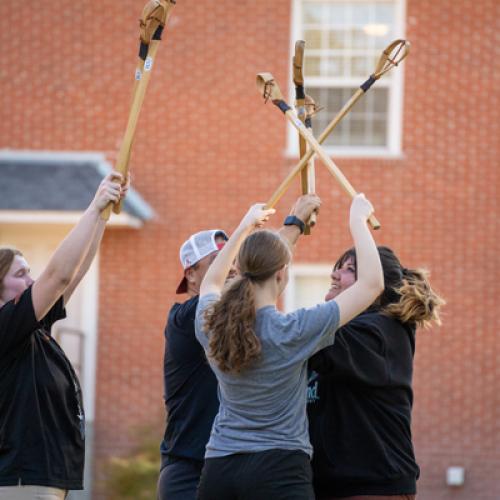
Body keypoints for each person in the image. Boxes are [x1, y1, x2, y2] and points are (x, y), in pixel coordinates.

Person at [194, 194, 384, 500]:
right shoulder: (293, 330)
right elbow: (373, 284)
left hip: (220, 468)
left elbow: (210, 284)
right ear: (282, 273)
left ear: (241, 270)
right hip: (279, 469)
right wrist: (357, 221)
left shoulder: (210, 324)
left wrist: (245, 226)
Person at [157, 195, 321, 500]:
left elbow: (262, 270)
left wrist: (294, 226)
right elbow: (244, 280)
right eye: (218, 261)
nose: (231, 268)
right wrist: (293, 225)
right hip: (188, 469)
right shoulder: (186, 318)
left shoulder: (243, 317)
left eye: (234, 260)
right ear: (190, 274)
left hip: (231, 466)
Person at [0, 172, 127, 500]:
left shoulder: (33, 330)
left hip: (44, 477)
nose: (31, 280)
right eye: (21, 273)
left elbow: (76, 271)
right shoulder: (4, 326)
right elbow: (58, 275)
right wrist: (94, 204)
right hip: (18, 480)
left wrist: (102, 215)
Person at [307, 246, 445, 500]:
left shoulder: (378, 332)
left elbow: (296, 338)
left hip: (372, 487)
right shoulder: (347, 330)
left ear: (375, 285)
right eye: (339, 266)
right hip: (334, 486)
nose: (336, 274)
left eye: (350, 269)